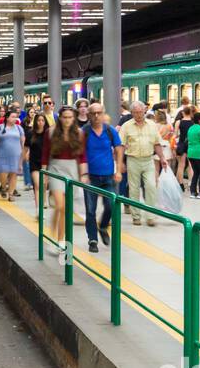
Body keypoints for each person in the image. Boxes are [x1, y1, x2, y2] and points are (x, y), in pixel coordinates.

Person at [81, 102, 123, 253]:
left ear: (103, 114)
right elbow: (80, 154)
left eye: (99, 113)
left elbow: (118, 149)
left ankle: (103, 226)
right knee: (91, 210)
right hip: (91, 177)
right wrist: (83, 173)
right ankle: (92, 240)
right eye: (94, 113)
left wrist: (118, 170)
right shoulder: (84, 132)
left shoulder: (110, 131)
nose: (97, 116)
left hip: (108, 176)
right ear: (88, 115)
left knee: (111, 205)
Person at [47, 105, 88, 245]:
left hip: (72, 170)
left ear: (74, 118)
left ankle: (60, 239)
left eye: (70, 117)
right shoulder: (51, 132)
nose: (67, 120)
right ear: (60, 118)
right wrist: (44, 174)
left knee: (66, 209)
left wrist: (83, 174)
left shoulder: (79, 133)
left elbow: (82, 156)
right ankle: (54, 233)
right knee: (60, 205)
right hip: (55, 169)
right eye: (64, 117)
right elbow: (45, 154)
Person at [121, 100, 165, 225]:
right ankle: (136, 216)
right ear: (132, 113)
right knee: (134, 189)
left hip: (148, 159)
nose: (138, 115)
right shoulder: (126, 126)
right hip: (132, 159)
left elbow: (157, 143)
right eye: (135, 112)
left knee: (151, 186)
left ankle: (150, 216)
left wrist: (162, 158)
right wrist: (120, 163)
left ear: (145, 111)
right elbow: (121, 145)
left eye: (140, 112)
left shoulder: (152, 125)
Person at [0, 109, 26, 201]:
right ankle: (3, 187)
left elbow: (23, 142)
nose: (15, 118)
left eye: (16, 117)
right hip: (2, 155)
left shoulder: (19, 128)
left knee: (13, 174)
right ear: (7, 118)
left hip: (16, 155)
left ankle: (10, 194)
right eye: (13, 117)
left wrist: (23, 154)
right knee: (3, 173)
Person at [26, 113, 50, 209]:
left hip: (46, 162)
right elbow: (25, 148)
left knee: (44, 184)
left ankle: (44, 199)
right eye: (39, 120)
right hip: (34, 162)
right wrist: (23, 159)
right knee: (37, 184)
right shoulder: (30, 133)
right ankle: (38, 209)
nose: (40, 122)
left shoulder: (48, 134)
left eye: (42, 120)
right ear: (35, 121)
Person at [186, 111, 200, 198]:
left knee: (196, 172)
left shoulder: (190, 128)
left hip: (190, 153)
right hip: (199, 153)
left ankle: (193, 192)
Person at [174, 104, 196, 189]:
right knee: (191, 165)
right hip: (191, 144)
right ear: (190, 113)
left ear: (183, 112)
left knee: (181, 165)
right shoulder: (193, 122)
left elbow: (175, 135)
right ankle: (191, 183)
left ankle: (180, 183)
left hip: (181, 143)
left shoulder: (178, 122)